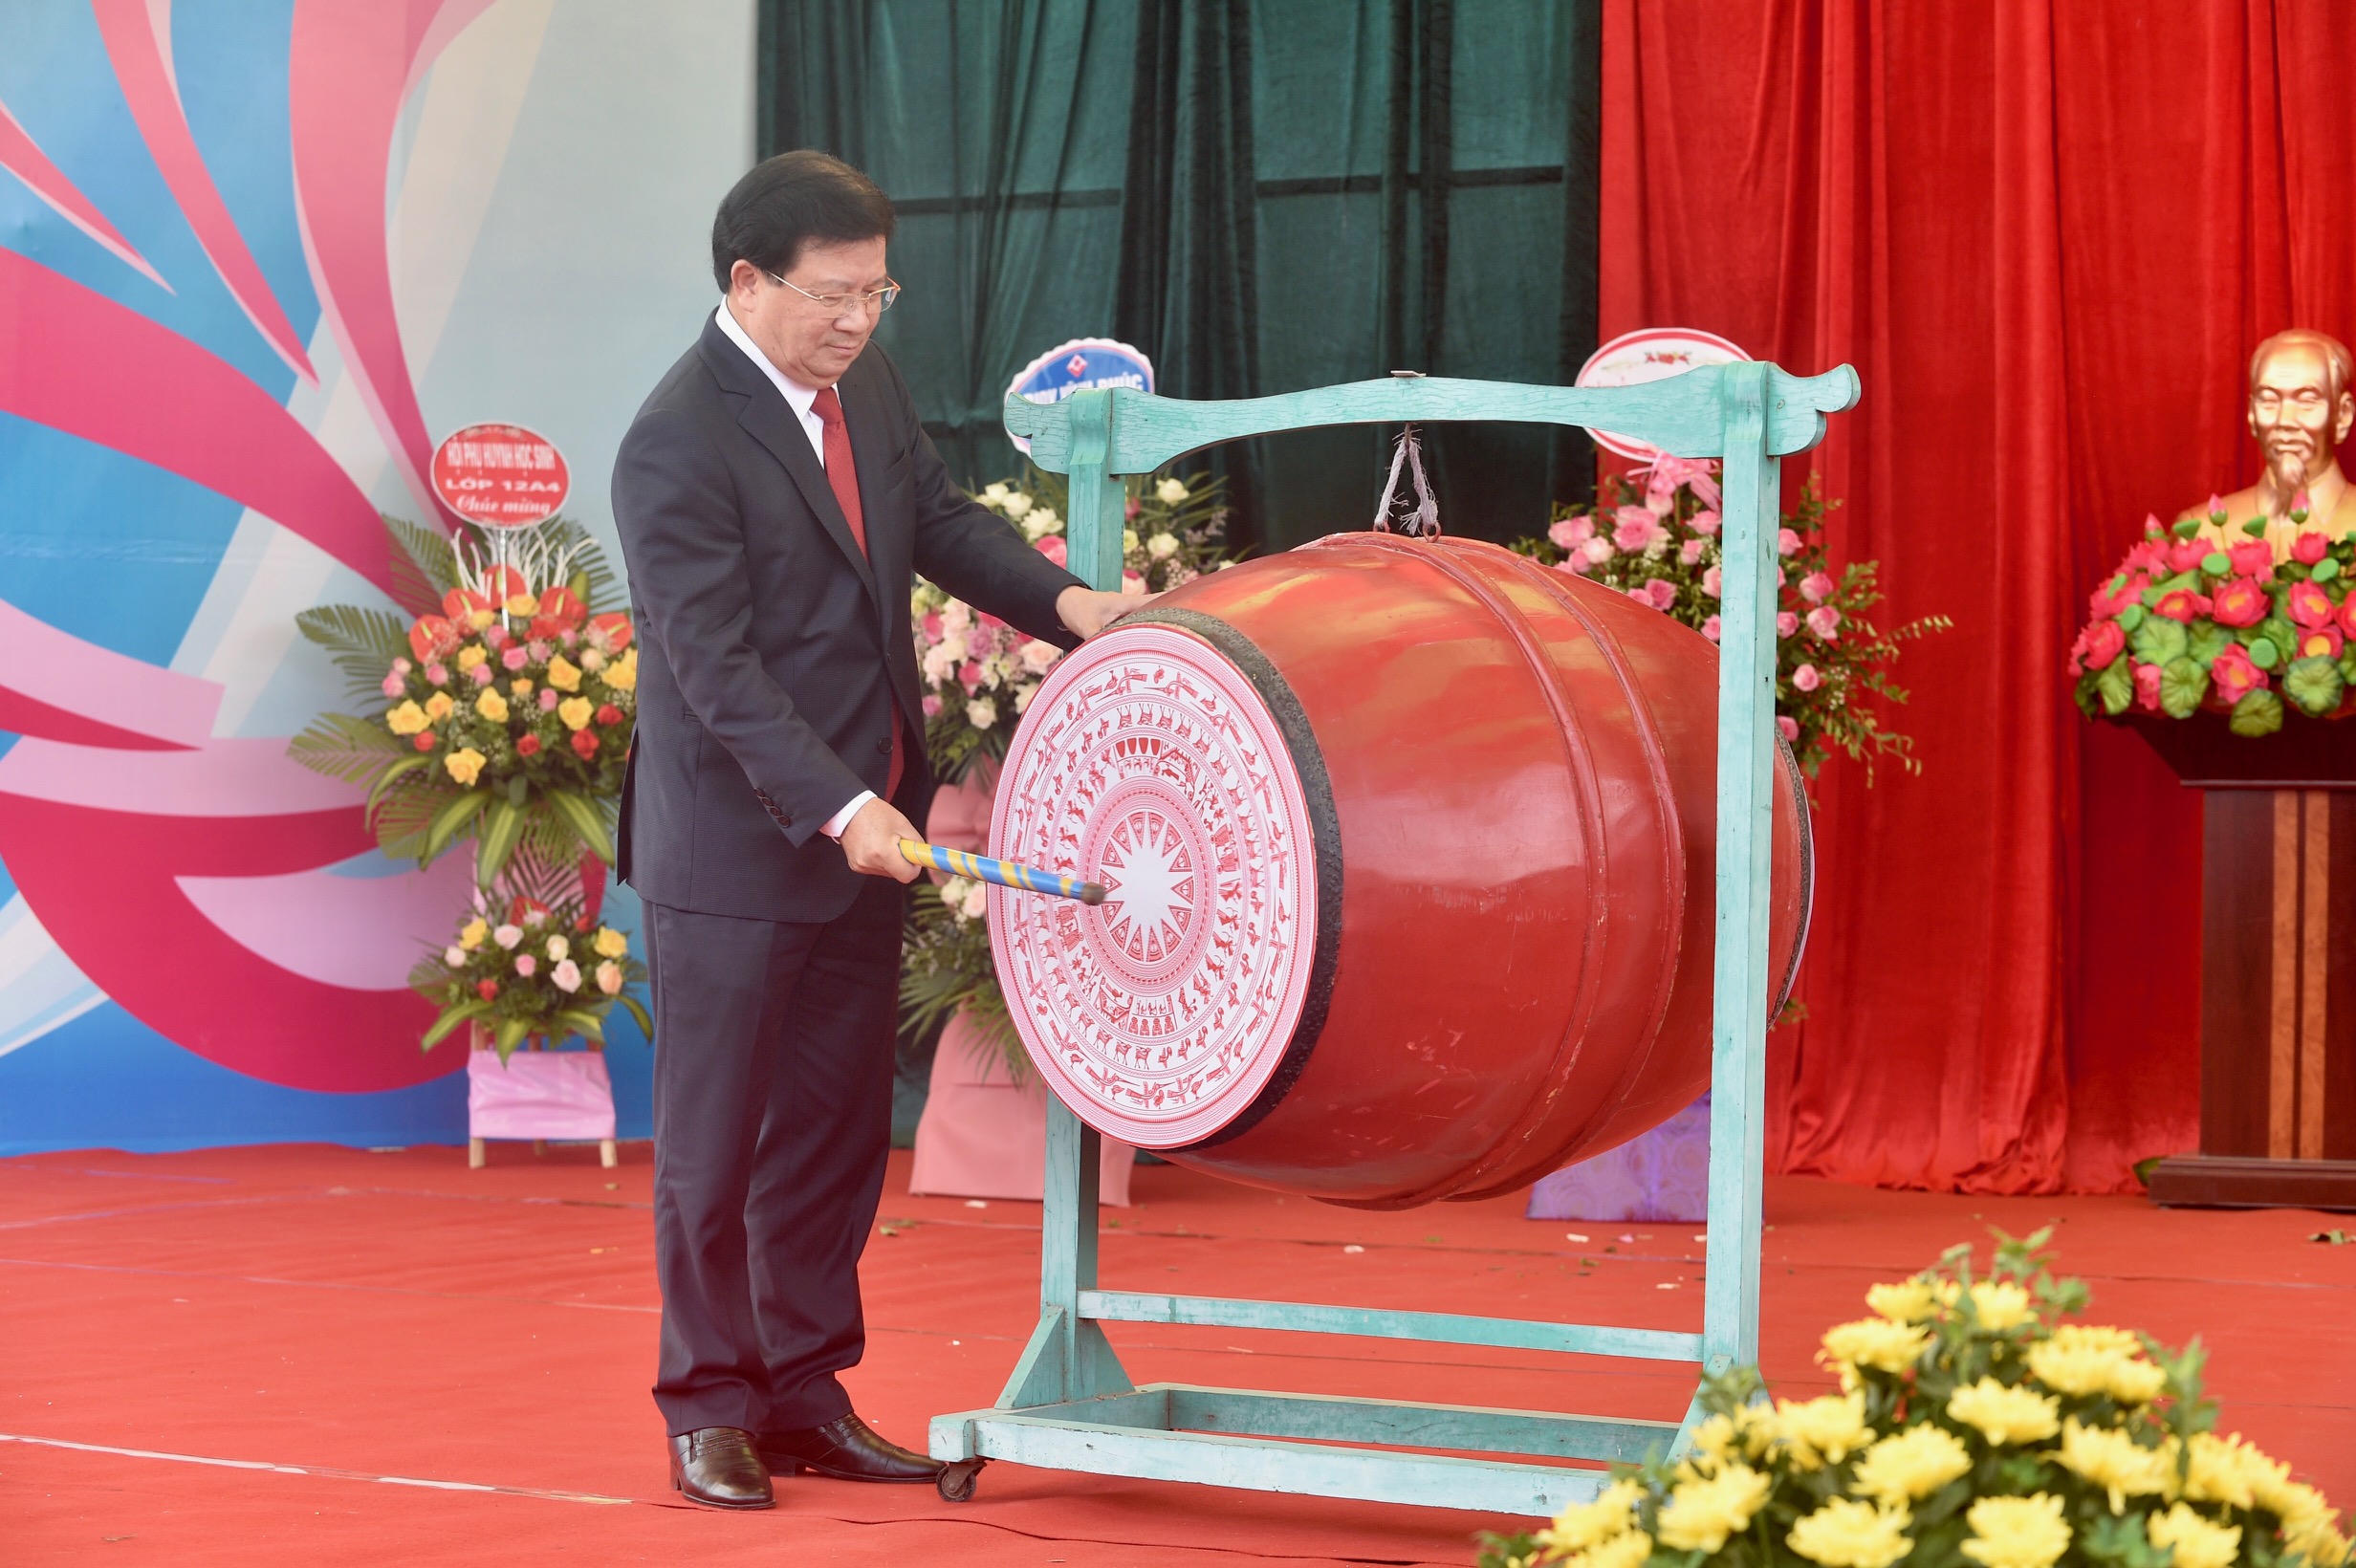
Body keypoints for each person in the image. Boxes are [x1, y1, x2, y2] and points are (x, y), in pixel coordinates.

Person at [610, 150, 1141, 1510]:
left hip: (870, 829)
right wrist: (839, 805)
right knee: (715, 1147)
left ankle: (803, 1392)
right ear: (747, 281)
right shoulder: (678, 438)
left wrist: (1073, 607)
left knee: (834, 1137)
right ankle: (707, 1405)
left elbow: (940, 524)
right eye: (832, 295)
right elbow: (713, 666)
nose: (857, 320)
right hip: (743, 846)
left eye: (877, 293)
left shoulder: (867, 390)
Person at [2183, 328, 2356, 556]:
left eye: (2307, 401)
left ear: (2343, 415)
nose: (2285, 421)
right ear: (2251, 414)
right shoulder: (2200, 535)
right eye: (2268, 400)